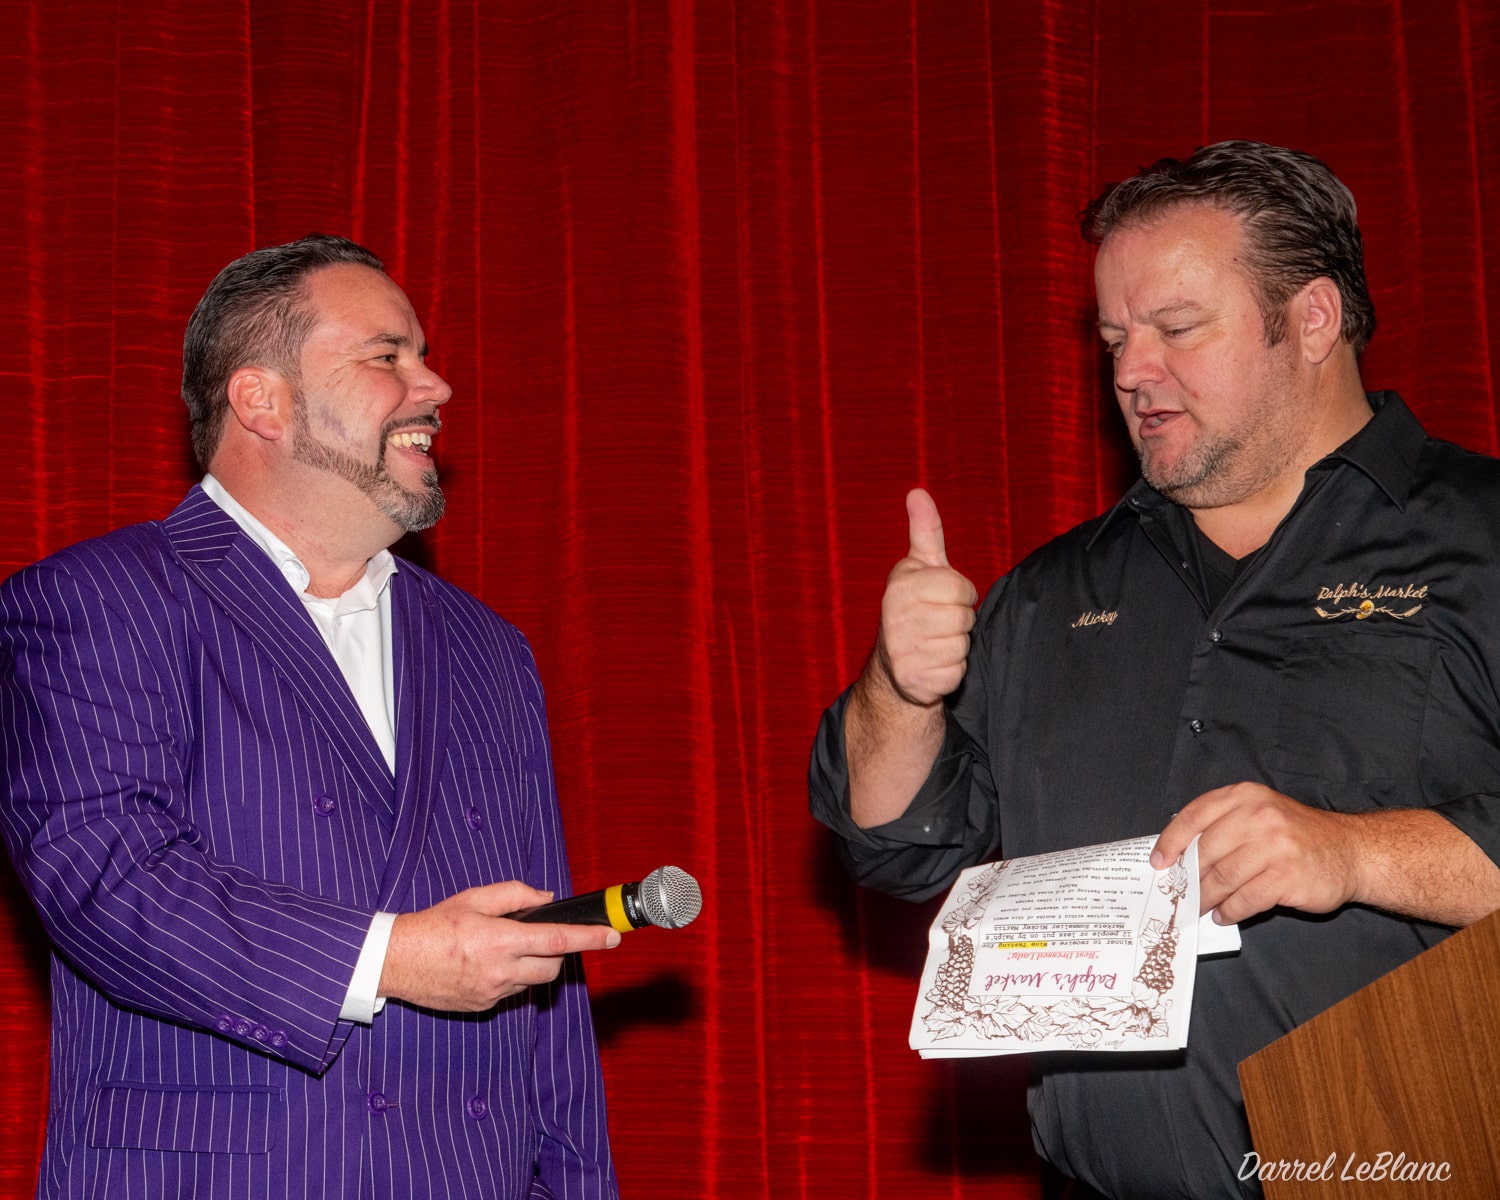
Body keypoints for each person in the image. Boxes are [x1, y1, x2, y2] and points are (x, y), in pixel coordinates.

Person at [809, 141, 1500, 1198]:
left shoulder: (1482, 541)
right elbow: (893, 847)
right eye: (1114, 338)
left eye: (1177, 329)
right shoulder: (1049, 593)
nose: (1132, 371)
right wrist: (897, 691)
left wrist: (1357, 855)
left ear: (1313, 320)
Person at [0, 235, 621, 1199]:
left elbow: (548, 969)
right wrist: (391, 958)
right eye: (388, 356)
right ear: (263, 400)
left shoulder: (489, 649)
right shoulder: (102, 598)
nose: (435, 386)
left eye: (422, 356)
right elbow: (106, 876)